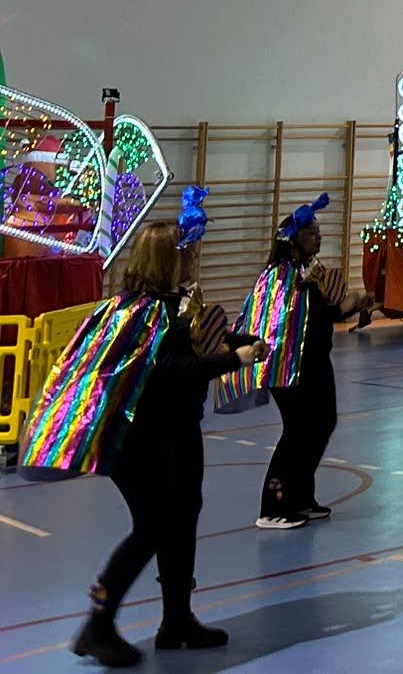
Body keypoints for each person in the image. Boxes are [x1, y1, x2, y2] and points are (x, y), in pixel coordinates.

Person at [27, 197, 265, 667]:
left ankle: (177, 620)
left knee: (180, 522)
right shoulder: (148, 311)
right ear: (169, 260)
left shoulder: (166, 307)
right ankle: (98, 624)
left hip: (177, 430)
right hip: (141, 438)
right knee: (154, 526)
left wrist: (240, 342)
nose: (195, 260)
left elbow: (194, 344)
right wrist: (231, 361)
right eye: (189, 253)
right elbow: (170, 367)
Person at [219, 193, 372, 528]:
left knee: (323, 423)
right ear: (293, 241)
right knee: (299, 430)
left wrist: (359, 302)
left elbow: (327, 314)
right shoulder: (279, 277)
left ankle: (300, 496)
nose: (319, 236)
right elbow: (275, 325)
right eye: (312, 232)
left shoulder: (308, 273)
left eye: (318, 231)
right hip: (289, 366)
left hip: (316, 363)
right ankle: (273, 506)